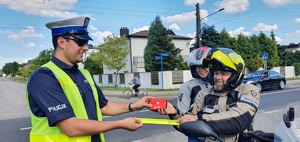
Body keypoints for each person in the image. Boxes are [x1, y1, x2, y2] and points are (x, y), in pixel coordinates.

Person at [26, 16, 152, 142]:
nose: (86, 48)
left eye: (86, 42)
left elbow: (104, 106)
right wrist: (119, 124)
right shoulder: (44, 77)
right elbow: (71, 127)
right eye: (81, 42)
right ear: (61, 42)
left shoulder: (84, 73)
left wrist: (133, 106)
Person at [159, 47, 260, 142]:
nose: (218, 77)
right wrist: (173, 113)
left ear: (235, 75)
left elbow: (239, 119)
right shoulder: (204, 94)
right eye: (216, 73)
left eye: (223, 74)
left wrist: (200, 119)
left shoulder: (248, 90)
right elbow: (186, 124)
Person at [177, 47, 212, 114]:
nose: (201, 70)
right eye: (198, 67)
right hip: (197, 122)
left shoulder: (218, 84)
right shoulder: (187, 87)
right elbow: (182, 112)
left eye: (204, 66)